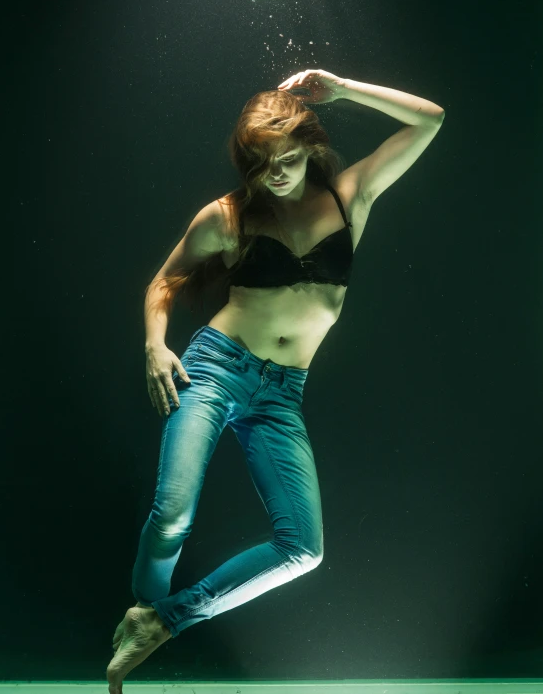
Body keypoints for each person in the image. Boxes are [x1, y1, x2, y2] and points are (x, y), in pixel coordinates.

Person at [106, 70, 445, 692]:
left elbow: (430, 119)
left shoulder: (350, 196)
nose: (279, 173)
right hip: (215, 368)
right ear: (247, 165)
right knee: (173, 516)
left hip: (283, 394)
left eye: (289, 158)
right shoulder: (227, 217)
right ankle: (142, 611)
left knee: (303, 550)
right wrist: (156, 346)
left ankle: (162, 621)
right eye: (264, 165)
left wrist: (342, 89)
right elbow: (164, 281)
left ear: (310, 148)